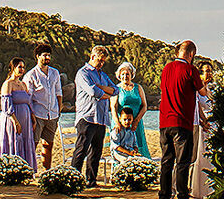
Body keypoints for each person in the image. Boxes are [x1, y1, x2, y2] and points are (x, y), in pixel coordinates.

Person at [157, 41, 203, 199]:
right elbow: (202, 91)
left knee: (166, 160)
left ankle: (164, 196)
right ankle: (183, 197)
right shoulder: (190, 70)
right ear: (191, 55)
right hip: (182, 121)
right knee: (182, 161)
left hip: (164, 122)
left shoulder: (166, 69)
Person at [70, 46, 116, 188]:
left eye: (103, 61)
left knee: (96, 151)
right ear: (92, 57)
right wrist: (103, 91)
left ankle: (91, 180)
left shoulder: (103, 75)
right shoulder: (83, 73)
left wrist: (101, 87)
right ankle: (73, 179)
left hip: (101, 118)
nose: (101, 63)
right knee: (81, 149)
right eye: (99, 60)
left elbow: (115, 90)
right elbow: (92, 91)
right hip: (87, 117)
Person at [23, 44, 63, 170]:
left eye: (48, 55)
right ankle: (29, 170)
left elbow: (58, 92)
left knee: (49, 144)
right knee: (33, 143)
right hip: (38, 113)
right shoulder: (31, 75)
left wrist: (59, 109)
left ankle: (47, 170)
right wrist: (32, 116)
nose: (47, 58)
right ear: (38, 56)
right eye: (44, 55)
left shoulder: (54, 73)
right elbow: (28, 97)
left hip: (53, 114)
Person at [0, 57, 37, 166]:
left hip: (26, 120)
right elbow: (6, 105)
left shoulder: (23, 84)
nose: (22, 69)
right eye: (19, 67)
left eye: (23, 67)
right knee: (13, 141)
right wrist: (15, 121)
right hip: (12, 119)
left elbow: (29, 102)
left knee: (25, 142)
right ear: (13, 68)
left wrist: (33, 118)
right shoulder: (8, 84)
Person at [111, 61, 151, 159]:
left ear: (131, 75)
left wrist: (136, 120)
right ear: (119, 75)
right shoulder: (116, 89)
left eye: (127, 74)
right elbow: (113, 107)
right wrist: (117, 123)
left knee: (138, 147)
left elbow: (144, 106)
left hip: (136, 121)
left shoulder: (138, 88)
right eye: (123, 74)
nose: (125, 76)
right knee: (123, 148)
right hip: (122, 123)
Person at [189, 61, 214, 199]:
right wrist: (203, 121)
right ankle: (201, 190)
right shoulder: (197, 90)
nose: (208, 74)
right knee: (202, 156)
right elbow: (197, 106)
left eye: (210, 71)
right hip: (203, 124)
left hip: (214, 124)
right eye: (205, 71)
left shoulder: (212, 89)